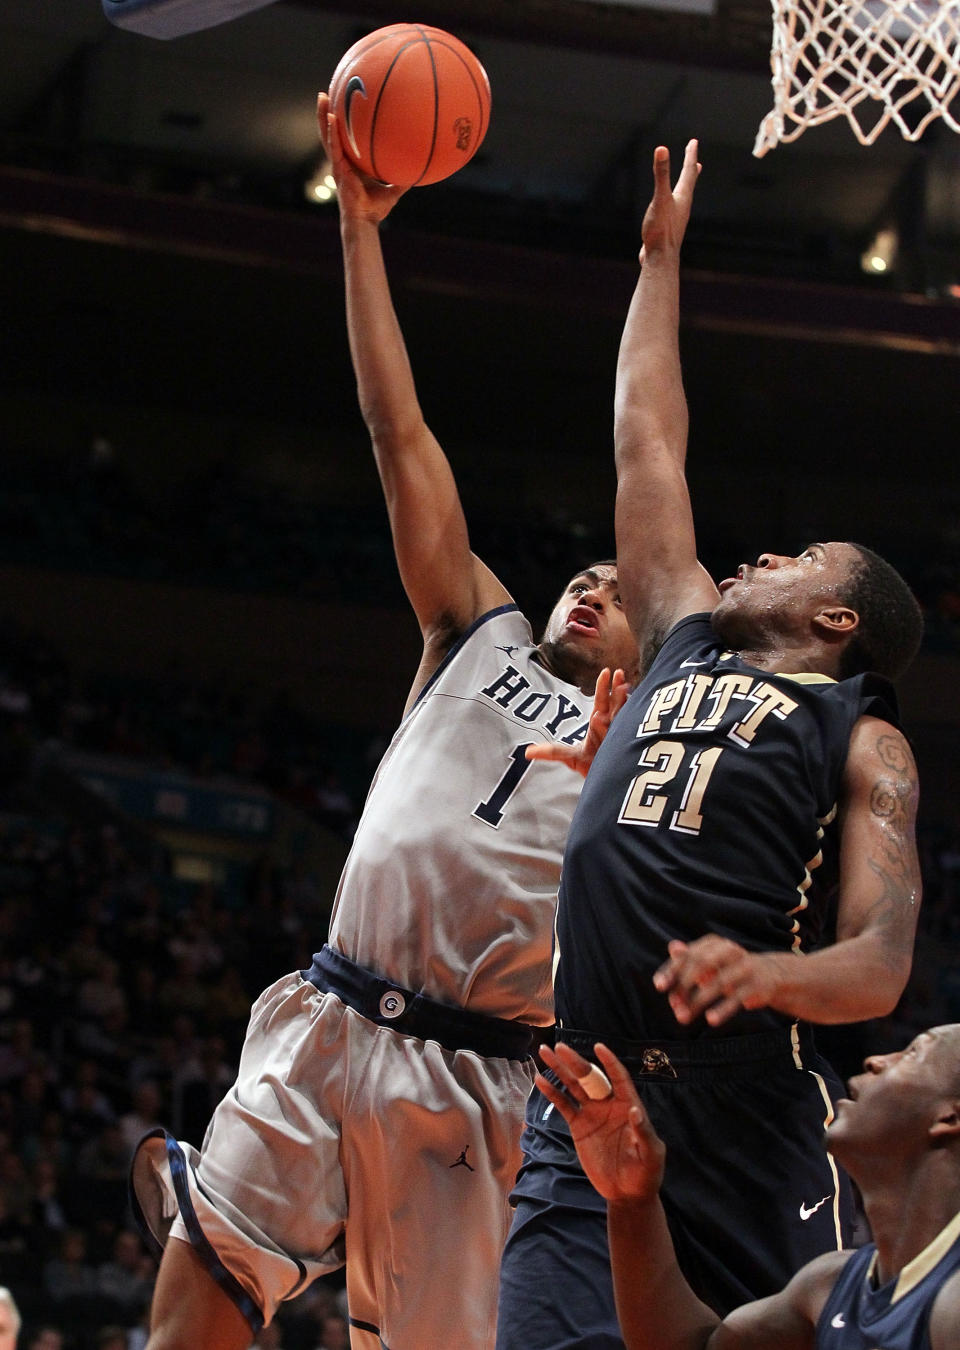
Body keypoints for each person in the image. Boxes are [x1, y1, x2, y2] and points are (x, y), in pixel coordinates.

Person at [128, 94, 639, 1350]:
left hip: (483, 1078)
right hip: (334, 1007)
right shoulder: (479, 625)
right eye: (588, 570)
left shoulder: (657, 748)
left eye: (625, 592)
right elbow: (396, 430)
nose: (592, 585)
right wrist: (360, 231)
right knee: (200, 1283)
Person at [495, 141, 924, 1348]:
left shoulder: (863, 738)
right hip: (583, 1099)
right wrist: (659, 261)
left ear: (838, 619)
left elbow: (881, 962)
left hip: (749, 1118)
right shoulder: (681, 637)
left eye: (797, 561)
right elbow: (647, 441)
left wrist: (765, 975)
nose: (760, 557)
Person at [537, 1031, 960, 1349]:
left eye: (913, 1052)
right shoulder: (831, 1283)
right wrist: (631, 1202)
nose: (876, 1060)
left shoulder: (951, 1304)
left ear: (950, 1117)